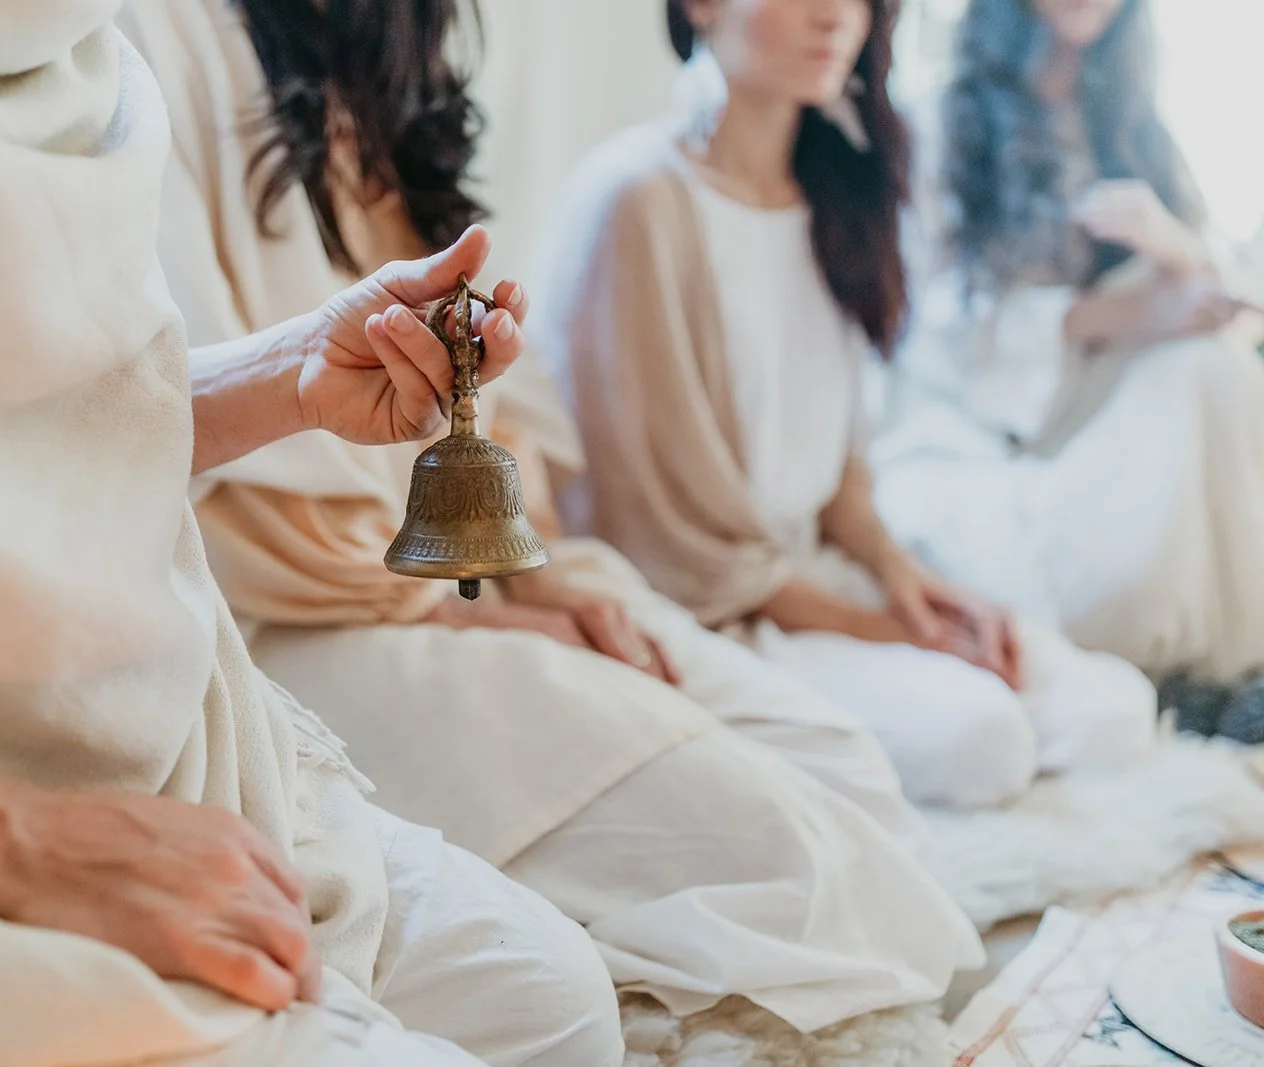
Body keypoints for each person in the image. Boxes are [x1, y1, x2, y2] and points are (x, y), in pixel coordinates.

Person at [0, 3, 627, 1065]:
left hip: (186, 733)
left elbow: (0, 426)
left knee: (556, 998)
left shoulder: (79, 49)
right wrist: (13, 839)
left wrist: (293, 368)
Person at [123, 0, 983, 1035]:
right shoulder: (161, 39)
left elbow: (496, 418)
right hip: (313, 617)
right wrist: (466, 614)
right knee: (799, 869)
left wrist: (538, 574)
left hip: (485, 579)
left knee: (848, 774)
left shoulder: (388, 56)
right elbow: (167, 429)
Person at [538, 0, 1158, 810]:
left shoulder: (836, 190)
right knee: (983, 739)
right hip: (718, 613)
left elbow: (840, 473)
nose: (836, 17)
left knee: (1112, 710)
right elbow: (669, 542)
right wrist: (885, 634)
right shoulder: (637, 199)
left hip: (818, 574)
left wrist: (916, 586)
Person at [870, 0, 1264, 707]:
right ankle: (1160, 662)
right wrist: (1125, 314)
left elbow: (1215, 294)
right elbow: (937, 333)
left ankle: (1223, 672)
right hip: (990, 429)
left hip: (1111, 411)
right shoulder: (941, 123)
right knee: (1199, 372)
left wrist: (1175, 253)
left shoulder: (1137, 129)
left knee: (1220, 369)